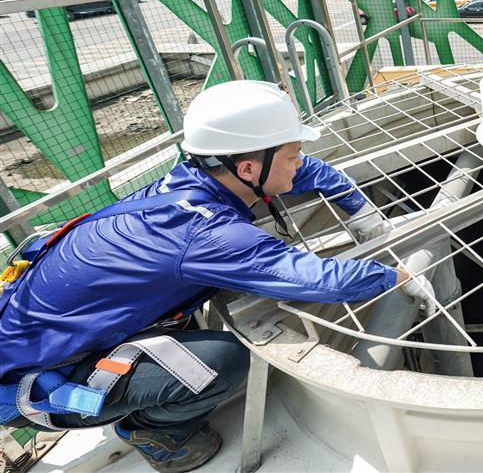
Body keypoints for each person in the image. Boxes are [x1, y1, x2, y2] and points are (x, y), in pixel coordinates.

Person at [1, 81, 433, 472]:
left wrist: (361, 212)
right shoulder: (210, 236)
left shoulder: (186, 186)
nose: (300, 163)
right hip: (31, 380)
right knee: (221, 361)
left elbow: (309, 171)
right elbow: (320, 280)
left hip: (39, 333)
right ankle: (157, 434)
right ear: (247, 170)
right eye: (291, 155)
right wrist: (397, 276)